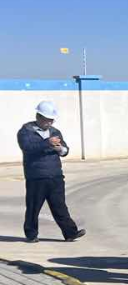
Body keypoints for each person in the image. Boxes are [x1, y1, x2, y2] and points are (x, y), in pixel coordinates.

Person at [18, 101, 85, 243]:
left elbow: (65, 150)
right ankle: (31, 235)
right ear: (39, 116)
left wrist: (61, 149)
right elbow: (28, 147)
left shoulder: (55, 132)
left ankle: (70, 233)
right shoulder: (26, 131)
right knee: (33, 208)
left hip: (55, 176)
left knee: (60, 207)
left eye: (51, 120)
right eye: (47, 119)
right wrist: (47, 143)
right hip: (36, 177)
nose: (50, 123)